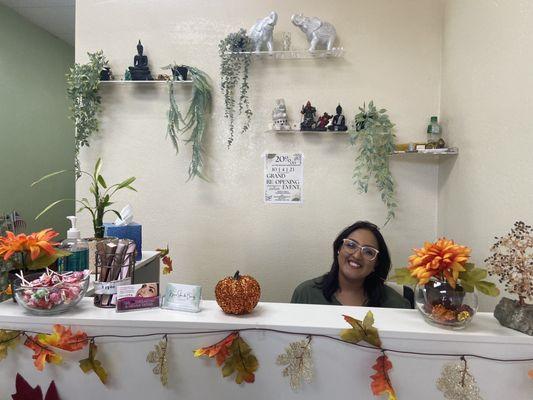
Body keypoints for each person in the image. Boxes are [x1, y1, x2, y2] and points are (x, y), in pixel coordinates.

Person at [291, 221, 411, 308]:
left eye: (368, 252)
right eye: (351, 245)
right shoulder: (305, 294)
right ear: (339, 249)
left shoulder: (396, 305)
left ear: (376, 263)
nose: (357, 256)